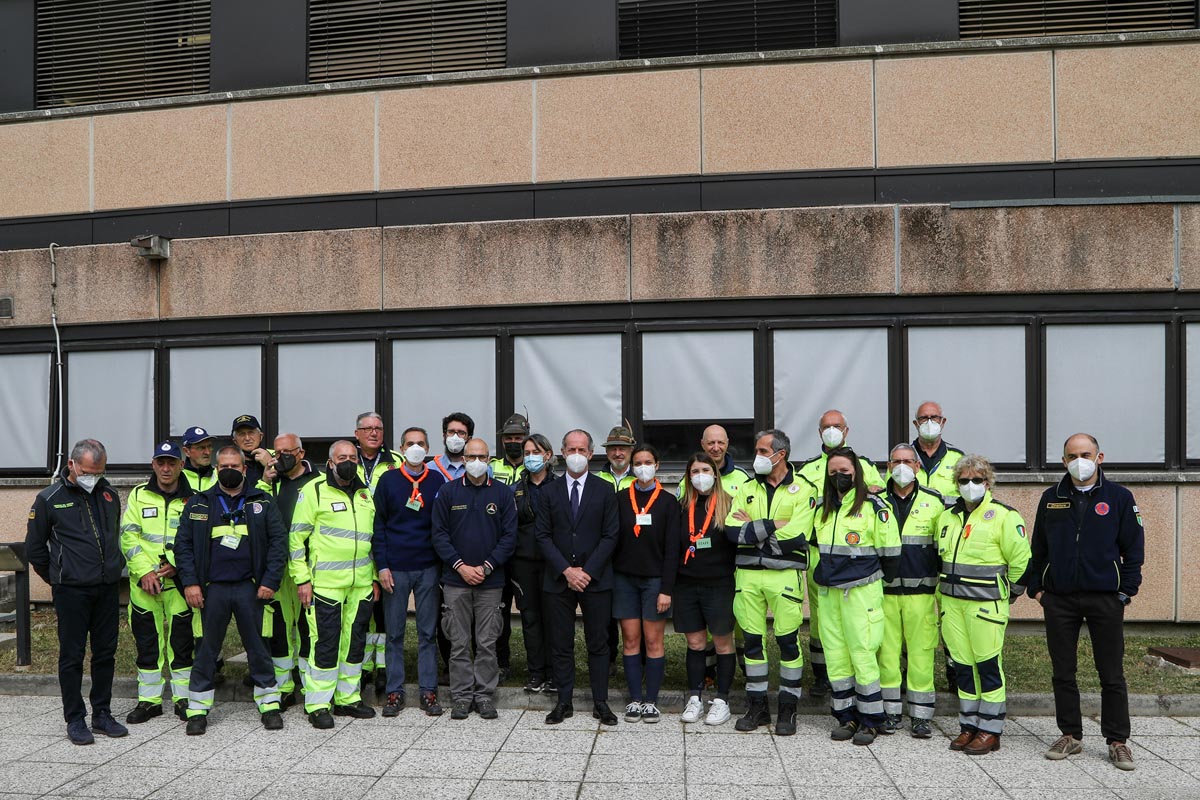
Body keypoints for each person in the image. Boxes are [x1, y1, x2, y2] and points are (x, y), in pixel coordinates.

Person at [1029, 433, 1145, 771]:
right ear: (1063, 461)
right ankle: (1070, 734)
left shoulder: (1120, 498)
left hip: (1106, 598)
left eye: (1086, 454)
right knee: (1063, 672)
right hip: (1059, 599)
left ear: (1099, 457)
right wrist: (1038, 590)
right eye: (1073, 455)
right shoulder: (1052, 498)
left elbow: (1133, 549)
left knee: (1111, 672)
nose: (1080, 460)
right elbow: (1039, 549)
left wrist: (1126, 591)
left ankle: (1117, 740)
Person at [174, 446, 288, 734]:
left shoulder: (262, 501)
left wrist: (270, 582)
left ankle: (270, 704)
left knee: (259, 648)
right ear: (216, 469)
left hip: (252, 589)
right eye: (224, 465)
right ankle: (198, 710)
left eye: (235, 466)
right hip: (211, 591)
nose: (229, 470)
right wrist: (190, 583)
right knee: (205, 650)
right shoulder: (199, 504)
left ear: (244, 469)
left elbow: (279, 544)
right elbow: (183, 546)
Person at [26, 439, 127, 745]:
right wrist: (58, 578)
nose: (92, 477)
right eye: (86, 471)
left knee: (105, 653)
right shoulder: (49, 499)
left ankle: (102, 714)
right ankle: (74, 718)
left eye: (98, 471)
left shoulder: (109, 495)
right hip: (71, 591)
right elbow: (35, 549)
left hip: (107, 587)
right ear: (71, 465)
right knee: (72, 656)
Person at [937, 454, 1030, 755]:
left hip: (986, 606)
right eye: (963, 480)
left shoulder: (1004, 516)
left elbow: (1020, 561)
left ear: (988, 482)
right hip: (952, 606)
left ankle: (990, 729)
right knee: (963, 667)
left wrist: (1010, 593)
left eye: (976, 480)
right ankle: (969, 726)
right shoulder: (947, 517)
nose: (970, 485)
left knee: (988, 667)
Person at [726, 429, 817, 735]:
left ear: (781, 455)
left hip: (785, 577)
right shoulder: (747, 487)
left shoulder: (805, 489)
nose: (757, 457)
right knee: (752, 642)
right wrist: (773, 526)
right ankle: (757, 707)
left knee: (788, 642)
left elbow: (799, 536)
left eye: (763, 451)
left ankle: (788, 710)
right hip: (747, 577)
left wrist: (753, 531)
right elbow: (731, 532)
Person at [812, 448, 901, 746]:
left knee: (863, 654)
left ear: (857, 474)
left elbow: (891, 554)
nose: (839, 477)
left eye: (845, 472)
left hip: (861, 591)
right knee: (836, 655)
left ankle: (872, 720)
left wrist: (867, 578)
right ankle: (846, 716)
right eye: (833, 472)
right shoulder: (823, 508)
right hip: (829, 593)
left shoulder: (875, 506)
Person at [290, 440, 379, 728]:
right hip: (325, 586)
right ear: (330, 462)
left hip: (361, 584)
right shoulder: (313, 491)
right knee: (325, 644)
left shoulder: (365, 492)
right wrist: (302, 579)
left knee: (354, 644)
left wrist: (374, 577)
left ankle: (347, 698)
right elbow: (296, 540)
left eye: (353, 457)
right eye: (343, 457)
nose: (349, 462)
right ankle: (317, 703)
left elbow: (372, 539)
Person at [794, 409, 883, 697]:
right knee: (822, 620)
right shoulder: (807, 470)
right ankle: (823, 677)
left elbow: (877, 504)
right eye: (826, 426)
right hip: (818, 554)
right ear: (819, 432)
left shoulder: (865, 465)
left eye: (837, 426)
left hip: (855, 560)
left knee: (857, 622)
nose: (832, 430)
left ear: (846, 430)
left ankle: (860, 677)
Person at [536, 429, 621, 726]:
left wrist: (586, 571)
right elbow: (543, 536)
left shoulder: (604, 490)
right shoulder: (548, 491)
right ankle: (564, 701)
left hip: (595, 579)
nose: (575, 454)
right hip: (559, 579)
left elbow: (611, 535)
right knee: (561, 643)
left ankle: (601, 702)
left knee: (598, 642)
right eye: (570, 449)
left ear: (590, 453)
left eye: (581, 449)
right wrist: (567, 570)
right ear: (561, 452)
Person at [432, 438, 517, 720]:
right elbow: (439, 535)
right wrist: (461, 566)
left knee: (486, 642)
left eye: (482, 456)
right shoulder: (448, 491)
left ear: (489, 459)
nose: (476, 461)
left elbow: (509, 537)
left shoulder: (503, 494)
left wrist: (487, 566)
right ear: (464, 459)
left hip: (490, 582)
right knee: (458, 642)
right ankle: (461, 697)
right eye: (471, 456)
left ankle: (483, 696)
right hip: (455, 581)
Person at [876, 443, 951, 738]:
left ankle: (921, 717)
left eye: (909, 461)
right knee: (887, 654)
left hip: (921, 593)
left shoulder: (936, 501)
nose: (902, 466)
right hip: (884, 593)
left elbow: (942, 548)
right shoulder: (875, 501)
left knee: (921, 655)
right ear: (888, 466)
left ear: (918, 467)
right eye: (897, 461)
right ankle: (891, 712)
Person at [372, 426, 447, 717]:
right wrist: (382, 566)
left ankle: (428, 691)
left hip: (428, 567)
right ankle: (395, 692)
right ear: (401, 449)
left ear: (427, 447)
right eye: (410, 443)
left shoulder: (437, 480)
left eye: (420, 443)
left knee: (428, 632)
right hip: (396, 569)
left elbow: (441, 525)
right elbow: (378, 526)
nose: (415, 447)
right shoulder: (388, 481)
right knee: (395, 633)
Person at [121, 441, 196, 724]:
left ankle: (183, 699)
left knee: (181, 643)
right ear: (153, 464)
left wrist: (178, 565)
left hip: (178, 585)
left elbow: (195, 540)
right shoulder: (139, 495)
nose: (166, 468)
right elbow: (128, 537)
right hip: (145, 586)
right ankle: (149, 701)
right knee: (148, 645)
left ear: (181, 465)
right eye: (160, 463)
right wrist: (144, 572)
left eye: (171, 463)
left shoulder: (194, 498)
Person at [612, 444, 679, 723]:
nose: (642, 467)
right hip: (624, 579)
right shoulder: (619, 498)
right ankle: (634, 699)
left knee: (653, 640)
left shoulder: (668, 502)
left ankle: (651, 700)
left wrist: (666, 589)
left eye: (647, 462)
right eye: (637, 462)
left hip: (654, 582)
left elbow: (673, 550)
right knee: (630, 640)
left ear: (657, 465)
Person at [670, 453, 737, 726]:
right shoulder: (682, 505)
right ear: (688, 476)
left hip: (719, 584)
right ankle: (695, 697)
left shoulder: (728, 504)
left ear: (715, 473)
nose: (700, 475)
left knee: (722, 642)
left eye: (706, 469)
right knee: (695, 643)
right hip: (686, 584)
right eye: (695, 470)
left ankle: (721, 700)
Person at [263, 433, 320, 707]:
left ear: (300, 453)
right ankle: (284, 687)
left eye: (287, 451)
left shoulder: (317, 482)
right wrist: (264, 483)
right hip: (277, 569)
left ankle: (310, 688)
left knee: (309, 629)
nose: (281, 456)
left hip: (308, 568)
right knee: (279, 630)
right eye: (277, 452)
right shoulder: (270, 483)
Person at [353, 411, 400, 691]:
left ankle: (381, 666)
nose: (374, 433)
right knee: (361, 610)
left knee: (384, 612)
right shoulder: (346, 460)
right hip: (354, 544)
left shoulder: (396, 461)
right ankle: (361, 665)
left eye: (378, 428)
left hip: (386, 543)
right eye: (367, 428)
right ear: (357, 433)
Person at [512, 433, 556, 693]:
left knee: (553, 618)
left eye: (536, 452)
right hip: (523, 563)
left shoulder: (559, 486)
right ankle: (536, 672)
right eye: (527, 453)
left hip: (552, 564)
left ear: (548, 455)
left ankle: (554, 673)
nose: (531, 457)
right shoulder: (516, 488)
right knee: (530, 618)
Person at [911, 402, 964, 497]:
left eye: (934, 417)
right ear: (916, 424)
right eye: (923, 418)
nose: (929, 422)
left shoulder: (958, 458)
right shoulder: (902, 457)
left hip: (947, 511)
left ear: (943, 422)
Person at [232, 414, 273, 488]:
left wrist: (271, 465)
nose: (247, 438)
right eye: (242, 434)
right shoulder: (230, 463)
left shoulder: (276, 455)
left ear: (261, 436)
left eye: (251, 433)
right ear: (235, 441)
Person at [431, 412, 475, 481]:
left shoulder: (480, 468)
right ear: (444, 436)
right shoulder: (430, 468)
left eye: (461, 433)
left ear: (469, 439)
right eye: (451, 432)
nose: (455, 437)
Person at [490, 413, 529, 485]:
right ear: (502, 441)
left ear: (526, 441)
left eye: (518, 438)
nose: (513, 442)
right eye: (508, 438)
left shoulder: (532, 467)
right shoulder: (491, 467)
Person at [596, 423, 636, 490]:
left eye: (622, 449)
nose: (617, 454)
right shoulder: (596, 479)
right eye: (613, 449)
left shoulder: (639, 480)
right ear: (606, 451)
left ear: (631, 450)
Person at [181, 426, 217, 492]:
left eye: (209, 446)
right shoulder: (177, 477)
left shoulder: (219, 474)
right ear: (186, 451)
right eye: (201, 448)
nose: (207, 452)